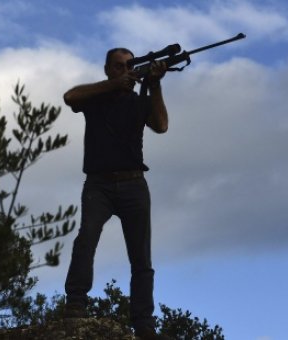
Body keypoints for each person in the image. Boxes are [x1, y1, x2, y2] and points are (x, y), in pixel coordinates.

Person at [62, 47, 170, 340]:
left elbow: (161, 125)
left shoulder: (138, 100)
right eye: (119, 67)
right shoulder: (96, 98)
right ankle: (75, 304)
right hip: (99, 184)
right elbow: (70, 97)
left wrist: (156, 83)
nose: (125, 71)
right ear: (108, 69)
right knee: (86, 240)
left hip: (134, 183)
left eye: (129, 66)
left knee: (141, 257)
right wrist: (112, 86)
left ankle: (144, 323)